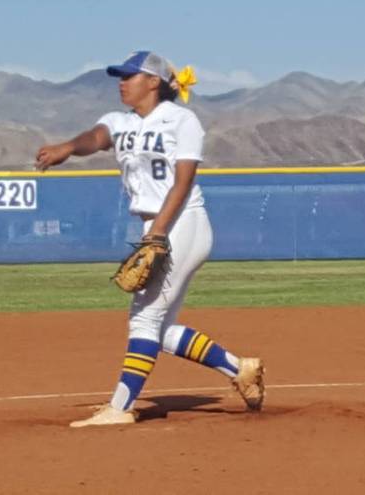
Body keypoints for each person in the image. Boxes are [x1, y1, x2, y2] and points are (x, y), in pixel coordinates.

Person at [35, 51, 265, 427]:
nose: (121, 82)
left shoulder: (182, 120)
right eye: (119, 77)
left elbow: (184, 180)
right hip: (154, 228)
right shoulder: (118, 122)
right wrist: (67, 148)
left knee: (144, 318)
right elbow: (96, 137)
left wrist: (158, 231)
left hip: (182, 223)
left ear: (153, 81)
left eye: (129, 76)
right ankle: (240, 369)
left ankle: (120, 407)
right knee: (160, 330)